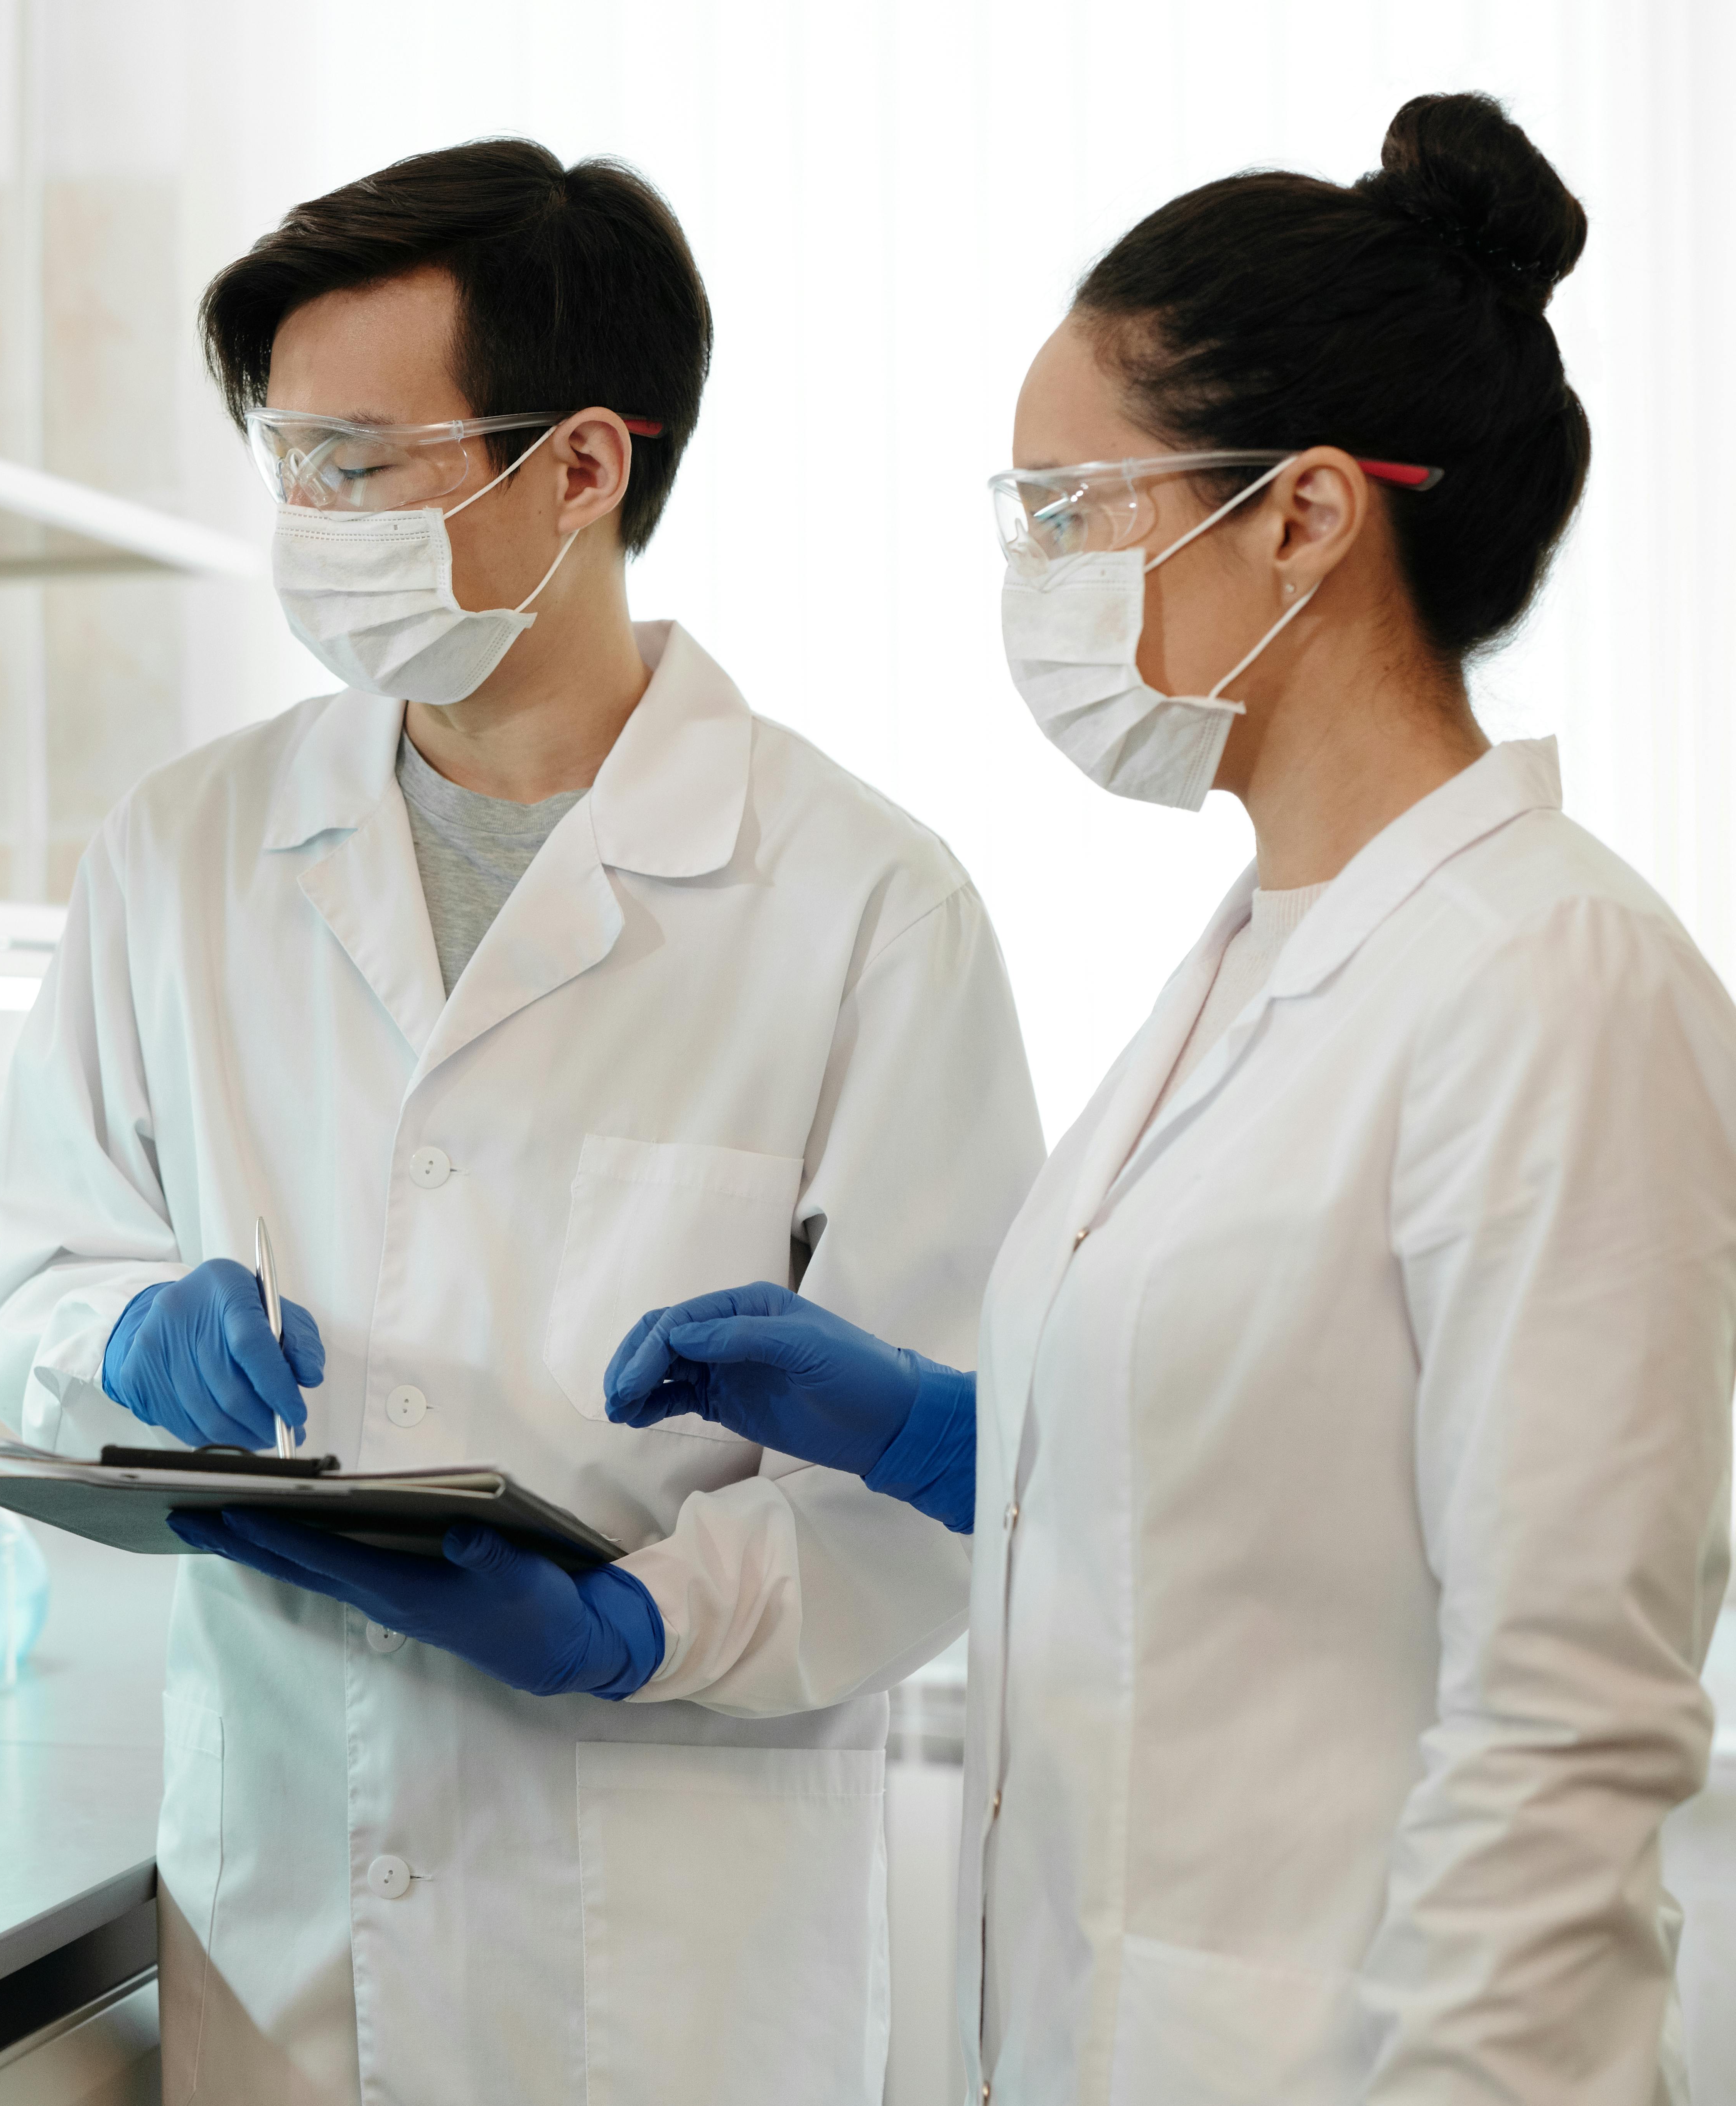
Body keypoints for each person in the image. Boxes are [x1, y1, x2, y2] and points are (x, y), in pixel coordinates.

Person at [603, 94, 1736, 2103]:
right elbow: (1281, 1486)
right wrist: (969, 1436)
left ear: (1305, 514)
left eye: (1069, 513)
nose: (1030, 580)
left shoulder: (1555, 979)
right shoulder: (1259, 958)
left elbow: (1564, 1726)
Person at [0, 140, 1043, 2103]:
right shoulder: (184, 849)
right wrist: (115, 1339)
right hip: (280, 1921)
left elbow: (951, 1472)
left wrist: (640, 1624)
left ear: (582, 467)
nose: (311, 516)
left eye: (364, 463)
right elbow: (27, 1276)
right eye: (287, 461)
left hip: (663, 1957)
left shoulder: (863, 902)